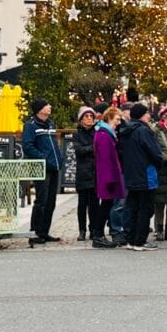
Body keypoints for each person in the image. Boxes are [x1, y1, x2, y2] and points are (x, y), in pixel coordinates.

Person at [118, 103, 162, 251]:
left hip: (131, 174)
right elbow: (155, 152)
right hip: (145, 174)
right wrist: (159, 162)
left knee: (134, 208)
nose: (149, 115)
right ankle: (140, 241)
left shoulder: (126, 130)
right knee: (146, 208)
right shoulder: (143, 130)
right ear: (141, 115)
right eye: (147, 113)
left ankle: (131, 239)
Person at [20, 98, 62, 244]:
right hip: (41, 167)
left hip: (54, 167)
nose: (50, 107)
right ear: (39, 109)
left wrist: (59, 159)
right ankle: (36, 232)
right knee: (41, 200)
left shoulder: (50, 124)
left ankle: (44, 232)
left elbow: (54, 145)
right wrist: (43, 158)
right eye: (46, 105)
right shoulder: (31, 126)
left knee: (51, 201)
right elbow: (28, 146)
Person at [91, 106, 123, 248]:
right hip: (108, 177)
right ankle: (98, 235)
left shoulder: (105, 133)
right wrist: (110, 179)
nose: (119, 122)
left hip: (108, 176)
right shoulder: (104, 135)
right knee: (105, 206)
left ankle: (98, 235)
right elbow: (105, 160)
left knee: (106, 205)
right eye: (117, 119)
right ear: (109, 118)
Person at [71, 107, 100, 242]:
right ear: (81, 119)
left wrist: (89, 149)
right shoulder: (77, 134)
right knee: (82, 204)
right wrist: (93, 148)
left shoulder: (97, 132)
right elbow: (79, 150)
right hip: (83, 173)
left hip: (95, 172)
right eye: (86, 116)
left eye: (91, 116)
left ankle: (94, 229)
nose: (89, 118)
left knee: (94, 204)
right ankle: (82, 230)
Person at [152, 106, 167, 241]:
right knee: (159, 201)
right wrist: (165, 158)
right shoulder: (156, 130)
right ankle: (159, 228)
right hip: (161, 169)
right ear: (163, 117)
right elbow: (154, 148)